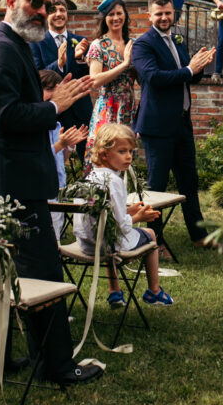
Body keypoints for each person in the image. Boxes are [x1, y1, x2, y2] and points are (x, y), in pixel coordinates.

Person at [0, 0, 102, 386]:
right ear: (11, 2)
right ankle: (56, 365)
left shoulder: (14, 46)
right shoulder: (1, 51)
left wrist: (50, 102)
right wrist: (52, 106)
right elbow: (5, 116)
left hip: (10, 178)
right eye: (35, 3)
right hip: (13, 181)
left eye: (47, 5)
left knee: (1, 269)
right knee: (41, 271)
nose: (42, 12)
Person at [132, 0, 215, 250]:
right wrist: (189, 69)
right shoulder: (143, 44)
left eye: (168, 13)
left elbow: (185, 77)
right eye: (159, 14)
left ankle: (199, 235)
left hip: (182, 123)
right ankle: (154, 240)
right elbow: (154, 77)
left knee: (189, 181)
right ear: (150, 16)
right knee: (156, 186)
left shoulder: (177, 40)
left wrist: (197, 70)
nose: (164, 17)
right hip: (157, 126)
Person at [73, 124, 172, 307]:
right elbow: (119, 226)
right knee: (150, 234)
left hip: (87, 244)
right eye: (122, 151)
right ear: (104, 154)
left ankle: (115, 292)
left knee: (110, 238)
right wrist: (138, 218)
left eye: (130, 151)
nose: (128, 156)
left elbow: (103, 215)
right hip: (107, 245)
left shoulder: (90, 177)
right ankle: (154, 291)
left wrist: (128, 211)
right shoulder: (115, 181)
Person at [31, 0, 92, 162]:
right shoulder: (36, 42)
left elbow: (89, 76)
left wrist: (79, 59)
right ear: (46, 15)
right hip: (54, 111)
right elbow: (37, 76)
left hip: (80, 110)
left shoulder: (80, 40)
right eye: (53, 11)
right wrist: (58, 64)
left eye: (62, 10)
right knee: (53, 159)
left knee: (88, 159)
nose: (58, 14)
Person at [83, 0, 136, 173]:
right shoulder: (98, 45)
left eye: (119, 13)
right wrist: (124, 64)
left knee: (125, 158)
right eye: (111, 14)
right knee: (103, 157)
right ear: (104, 18)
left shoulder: (133, 44)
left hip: (127, 108)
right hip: (108, 108)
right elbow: (95, 81)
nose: (115, 18)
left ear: (125, 16)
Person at [39, 69, 88, 239]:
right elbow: (40, 156)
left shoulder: (56, 123)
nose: (53, 94)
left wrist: (68, 147)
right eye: (48, 89)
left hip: (57, 186)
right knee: (47, 234)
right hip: (42, 188)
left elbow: (59, 159)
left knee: (56, 230)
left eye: (56, 90)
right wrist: (60, 144)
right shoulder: (37, 124)